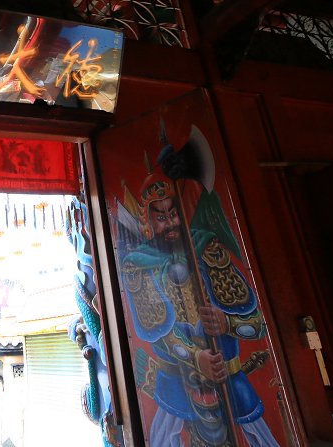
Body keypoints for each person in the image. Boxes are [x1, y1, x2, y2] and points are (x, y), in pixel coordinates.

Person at [119, 162, 279, 447]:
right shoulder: (138, 266)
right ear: (146, 221)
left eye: (173, 214)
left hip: (229, 378)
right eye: (160, 217)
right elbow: (160, 334)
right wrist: (197, 358)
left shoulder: (208, 250)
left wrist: (227, 322)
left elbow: (256, 325)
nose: (169, 223)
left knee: (262, 437)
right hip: (177, 382)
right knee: (161, 438)